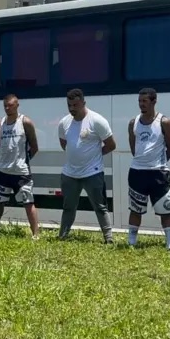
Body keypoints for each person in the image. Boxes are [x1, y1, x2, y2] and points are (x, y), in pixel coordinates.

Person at [57, 88, 117, 243]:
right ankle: (63, 236)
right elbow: (65, 144)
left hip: (93, 173)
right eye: (69, 105)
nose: (72, 109)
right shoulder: (64, 123)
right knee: (68, 207)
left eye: (75, 105)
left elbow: (111, 145)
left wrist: (95, 155)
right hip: (70, 174)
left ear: (83, 103)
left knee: (100, 207)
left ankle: (108, 239)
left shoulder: (97, 121)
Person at [127, 88, 170, 250]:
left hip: (159, 173)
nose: (142, 105)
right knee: (135, 209)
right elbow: (134, 148)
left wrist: (157, 163)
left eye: (145, 101)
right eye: (140, 101)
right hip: (137, 172)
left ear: (154, 102)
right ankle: (131, 240)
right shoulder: (133, 122)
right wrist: (143, 162)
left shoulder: (164, 122)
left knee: (166, 210)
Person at [0, 94, 40, 239]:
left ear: (17, 105)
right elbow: (2, 145)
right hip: (2, 171)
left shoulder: (25, 122)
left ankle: (36, 234)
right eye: (5, 105)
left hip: (21, 171)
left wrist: (23, 160)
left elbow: (34, 147)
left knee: (28, 202)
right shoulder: (0, 123)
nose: (7, 108)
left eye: (10, 105)